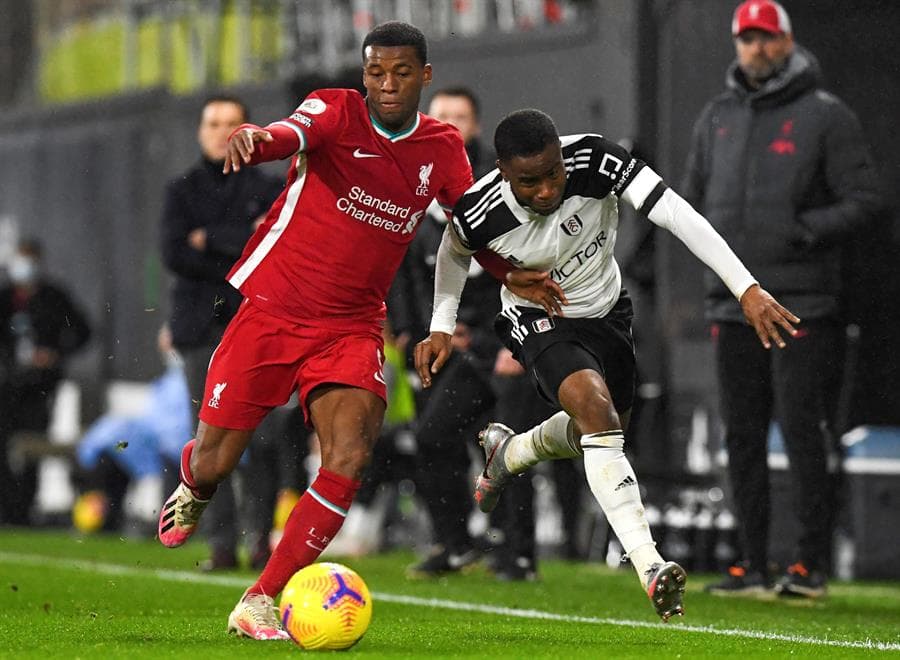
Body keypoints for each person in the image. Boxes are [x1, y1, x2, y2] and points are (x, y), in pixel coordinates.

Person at [414, 108, 800, 622]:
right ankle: (650, 565)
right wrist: (442, 322)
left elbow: (677, 214)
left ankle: (514, 450)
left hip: (610, 314)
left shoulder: (594, 159)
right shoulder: (480, 208)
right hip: (539, 318)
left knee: (602, 427)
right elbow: (453, 251)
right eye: (531, 181)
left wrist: (746, 287)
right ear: (504, 173)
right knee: (597, 415)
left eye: (554, 174)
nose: (549, 189)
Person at [156, 22, 475, 641]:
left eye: (402, 73)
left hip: (352, 327)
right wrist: (257, 136)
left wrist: (518, 272)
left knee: (350, 457)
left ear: (424, 77)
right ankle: (195, 480)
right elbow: (287, 134)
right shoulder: (335, 109)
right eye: (376, 72)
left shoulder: (441, 146)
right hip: (273, 309)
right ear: (363, 74)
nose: (387, 85)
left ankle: (261, 598)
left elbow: (473, 228)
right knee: (219, 460)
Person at [681, 0, 883, 598]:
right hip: (733, 304)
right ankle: (751, 564)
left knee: (801, 432)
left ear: (788, 41)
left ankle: (809, 566)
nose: (757, 48)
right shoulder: (715, 118)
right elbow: (688, 207)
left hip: (800, 302)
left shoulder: (826, 116)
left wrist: (803, 230)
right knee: (741, 436)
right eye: (747, 38)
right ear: (736, 45)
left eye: (767, 37)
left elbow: (866, 199)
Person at [160, 94, 284, 571]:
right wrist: (238, 243)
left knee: (265, 437)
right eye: (212, 122)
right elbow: (173, 252)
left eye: (230, 123)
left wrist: (209, 238)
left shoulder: (270, 186)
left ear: (245, 131)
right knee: (208, 442)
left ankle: (260, 541)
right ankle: (220, 542)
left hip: (255, 325)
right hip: (199, 328)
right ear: (200, 130)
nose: (220, 131)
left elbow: (270, 243)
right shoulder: (181, 189)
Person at [0, 238, 91, 525]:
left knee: (32, 445)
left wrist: (55, 355)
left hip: (41, 386)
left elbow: (82, 331)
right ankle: (5, 508)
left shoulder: (53, 297)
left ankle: (24, 510)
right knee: (5, 445)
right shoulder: (4, 298)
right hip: (6, 384)